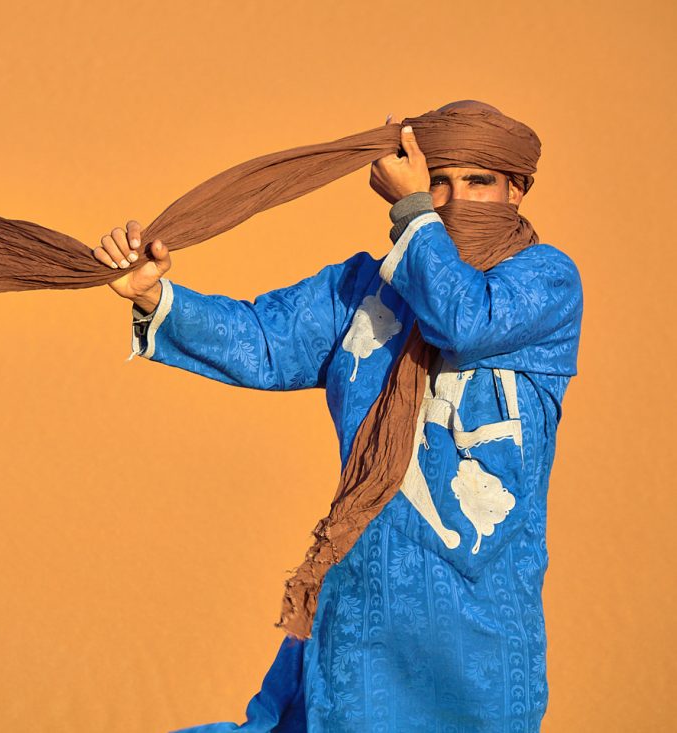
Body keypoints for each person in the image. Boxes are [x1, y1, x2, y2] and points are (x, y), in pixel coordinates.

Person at [91, 103, 583, 731]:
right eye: (437, 180)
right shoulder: (364, 290)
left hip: (480, 628)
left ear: (516, 189)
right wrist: (153, 294)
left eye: (479, 181)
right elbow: (263, 344)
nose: (453, 200)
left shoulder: (545, 284)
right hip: (362, 620)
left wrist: (413, 216)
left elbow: (462, 320)